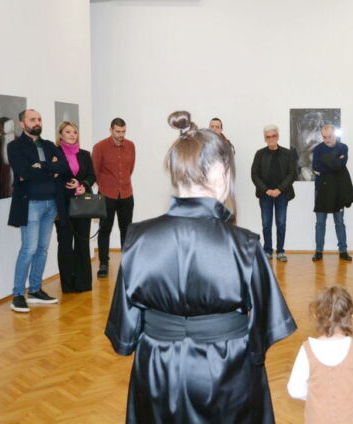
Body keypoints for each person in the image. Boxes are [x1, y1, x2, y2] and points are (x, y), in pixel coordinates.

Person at [105, 111, 296, 423]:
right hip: (227, 371)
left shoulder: (137, 240)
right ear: (220, 172)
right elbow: (266, 327)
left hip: (157, 370)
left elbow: (124, 336)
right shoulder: (245, 245)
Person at [287, 286, 353, 423]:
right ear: (352, 317)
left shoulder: (306, 350)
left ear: (316, 316)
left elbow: (294, 390)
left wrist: (315, 396)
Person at [7, 109, 63, 312]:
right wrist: (50, 170)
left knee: (42, 249)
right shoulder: (15, 146)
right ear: (22, 124)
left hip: (51, 204)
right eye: (32, 119)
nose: (37, 122)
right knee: (28, 249)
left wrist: (41, 166)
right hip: (31, 204)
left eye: (39, 119)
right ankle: (17, 295)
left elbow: (63, 167)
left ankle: (35, 290)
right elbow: (23, 171)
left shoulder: (49, 145)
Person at [54, 121, 96, 293]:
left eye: (75, 132)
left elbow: (92, 175)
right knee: (65, 244)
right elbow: (52, 177)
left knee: (82, 243)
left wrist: (83, 185)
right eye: (68, 132)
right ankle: (68, 285)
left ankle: (83, 283)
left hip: (82, 204)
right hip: (62, 205)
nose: (72, 135)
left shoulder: (85, 154)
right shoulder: (54, 153)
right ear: (61, 135)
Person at [92, 117, 135, 278]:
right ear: (111, 130)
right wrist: (106, 186)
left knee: (127, 230)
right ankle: (104, 264)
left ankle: (127, 263)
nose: (121, 135)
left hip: (126, 194)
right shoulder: (99, 147)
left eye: (123, 131)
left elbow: (130, 168)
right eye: (118, 131)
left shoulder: (131, 146)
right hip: (106, 195)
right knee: (104, 230)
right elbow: (94, 171)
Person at [250, 124, 297, 262]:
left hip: (282, 194)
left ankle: (280, 251)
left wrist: (279, 189)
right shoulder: (259, 154)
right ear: (265, 138)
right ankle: (267, 250)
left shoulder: (287, 153)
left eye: (273, 136)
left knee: (281, 223)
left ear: (278, 136)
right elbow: (254, 174)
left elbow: (292, 174)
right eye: (268, 137)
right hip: (265, 195)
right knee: (266, 224)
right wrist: (266, 190)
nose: (271, 139)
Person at [311, 125, 353, 262]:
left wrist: (326, 163)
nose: (327, 140)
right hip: (321, 189)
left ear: (335, 135)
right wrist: (335, 160)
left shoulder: (343, 147)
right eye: (324, 137)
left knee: (339, 222)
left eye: (329, 137)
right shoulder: (317, 149)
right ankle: (318, 251)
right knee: (320, 223)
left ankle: (343, 251)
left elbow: (340, 166)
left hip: (338, 189)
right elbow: (315, 167)